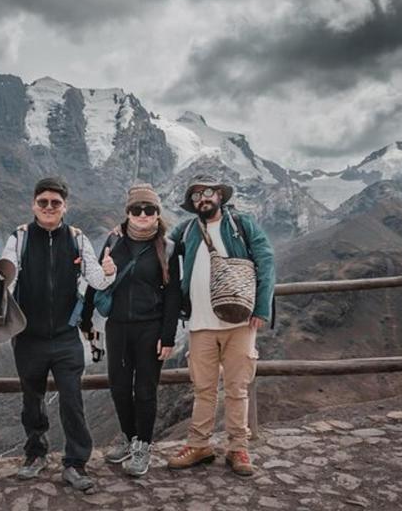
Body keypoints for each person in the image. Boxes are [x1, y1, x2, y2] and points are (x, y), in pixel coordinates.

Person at [0, 176, 116, 493]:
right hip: (29, 336)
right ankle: (35, 454)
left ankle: (76, 463)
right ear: (34, 205)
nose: (49, 207)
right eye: (43, 202)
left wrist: (109, 273)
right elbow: (8, 275)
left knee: (72, 400)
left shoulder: (78, 239)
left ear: (64, 206)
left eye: (55, 202)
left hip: (66, 336)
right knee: (32, 400)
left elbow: (97, 280)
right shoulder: (20, 238)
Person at [166, 175, 275, 477]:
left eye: (208, 192)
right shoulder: (187, 229)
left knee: (237, 387)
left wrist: (262, 307)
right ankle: (199, 445)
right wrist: (122, 231)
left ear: (220, 196)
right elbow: (160, 242)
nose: (203, 199)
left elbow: (266, 261)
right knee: (203, 388)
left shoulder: (241, 224)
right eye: (196, 195)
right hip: (200, 323)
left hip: (239, 321)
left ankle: (238, 447)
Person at [81, 183, 181, 477]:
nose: (143, 214)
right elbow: (97, 277)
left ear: (157, 213)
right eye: (137, 209)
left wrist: (167, 335)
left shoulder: (168, 247)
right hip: (118, 327)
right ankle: (129, 436)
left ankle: (143, 446)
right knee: (120, 386)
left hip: (151, 327)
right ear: (128, 212)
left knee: (146, 389)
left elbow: (173, 294)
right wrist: (86, 316)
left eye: (149, 209)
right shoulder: (114, 241)